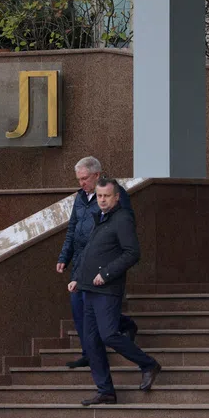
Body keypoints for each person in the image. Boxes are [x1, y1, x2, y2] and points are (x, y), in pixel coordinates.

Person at [67, 178, 161, 406]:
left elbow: (132, 253)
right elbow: (91, 252)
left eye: (106, 196)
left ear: (116, 197)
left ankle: (148, 364)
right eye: (99, 196)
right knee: (90, 341)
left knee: (108, 334)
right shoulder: (100, 218)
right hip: (88, 288)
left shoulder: (122, 219)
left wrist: (107, 274)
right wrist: (78, 279)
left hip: (108, 289)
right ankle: (106, 390)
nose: (102, 200)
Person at [56, 156, 137, 369]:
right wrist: (64, 256)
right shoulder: (80, 197)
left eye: (85, 178)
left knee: (95, 307)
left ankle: (126, 325)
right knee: (78, 306)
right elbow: (72, 228)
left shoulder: (114, 196)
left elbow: (125, 227)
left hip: (101, 261)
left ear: (97, 175)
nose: (81, 183)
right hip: (80, 261)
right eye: (79, 179)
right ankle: (88, 353)